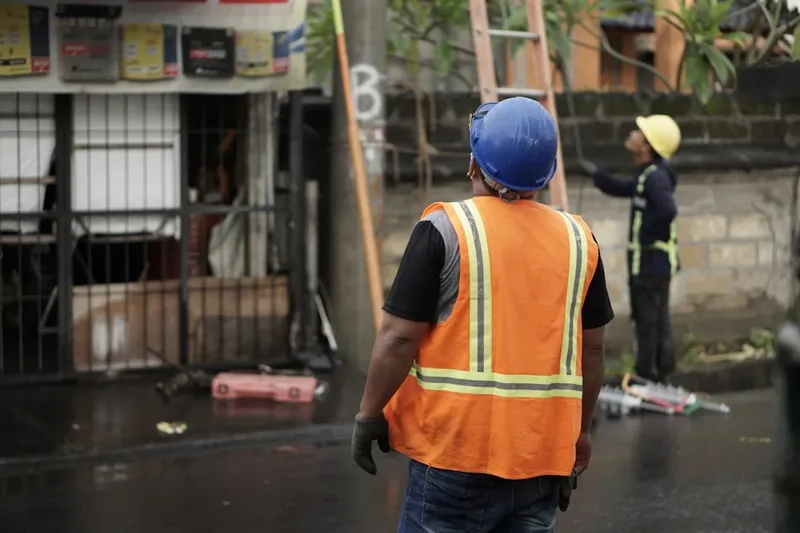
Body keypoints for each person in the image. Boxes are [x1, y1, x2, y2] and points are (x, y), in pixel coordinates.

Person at [350, 97, 615, 533]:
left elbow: (398, 339)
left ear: (474, 163)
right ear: (544, 177)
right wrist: (578, 436)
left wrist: (369, 413)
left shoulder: (446, 230)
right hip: (541, 461)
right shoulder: (579, 239)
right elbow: (594, 349)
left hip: (453, 458)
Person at [578, 115, 681, 384]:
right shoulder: (648, 174)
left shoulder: (655, 177)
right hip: (649, 263)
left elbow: (668, 210)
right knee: (651, 319)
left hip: (652, 263)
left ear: (647, 146)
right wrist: (596, 176)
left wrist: (646, 236)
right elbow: (624, 188)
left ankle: (650, 375)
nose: (633, 133)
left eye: (639, 132)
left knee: (651, 321)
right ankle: (657, 373)